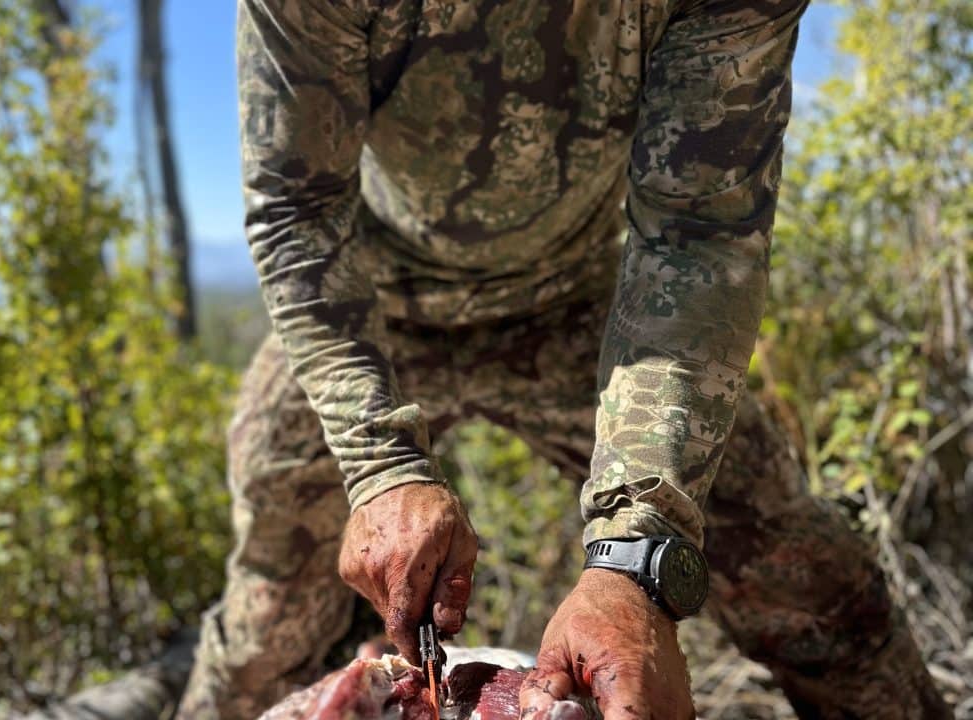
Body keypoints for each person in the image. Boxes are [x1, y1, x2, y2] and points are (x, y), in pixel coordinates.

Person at [177, 0, 952, 718]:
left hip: (589, 311)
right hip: (373, 309)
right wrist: (379, 464)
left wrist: (639, 557)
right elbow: (298, 208)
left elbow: (697, 231)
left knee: (816, 591)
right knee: (261, 645)